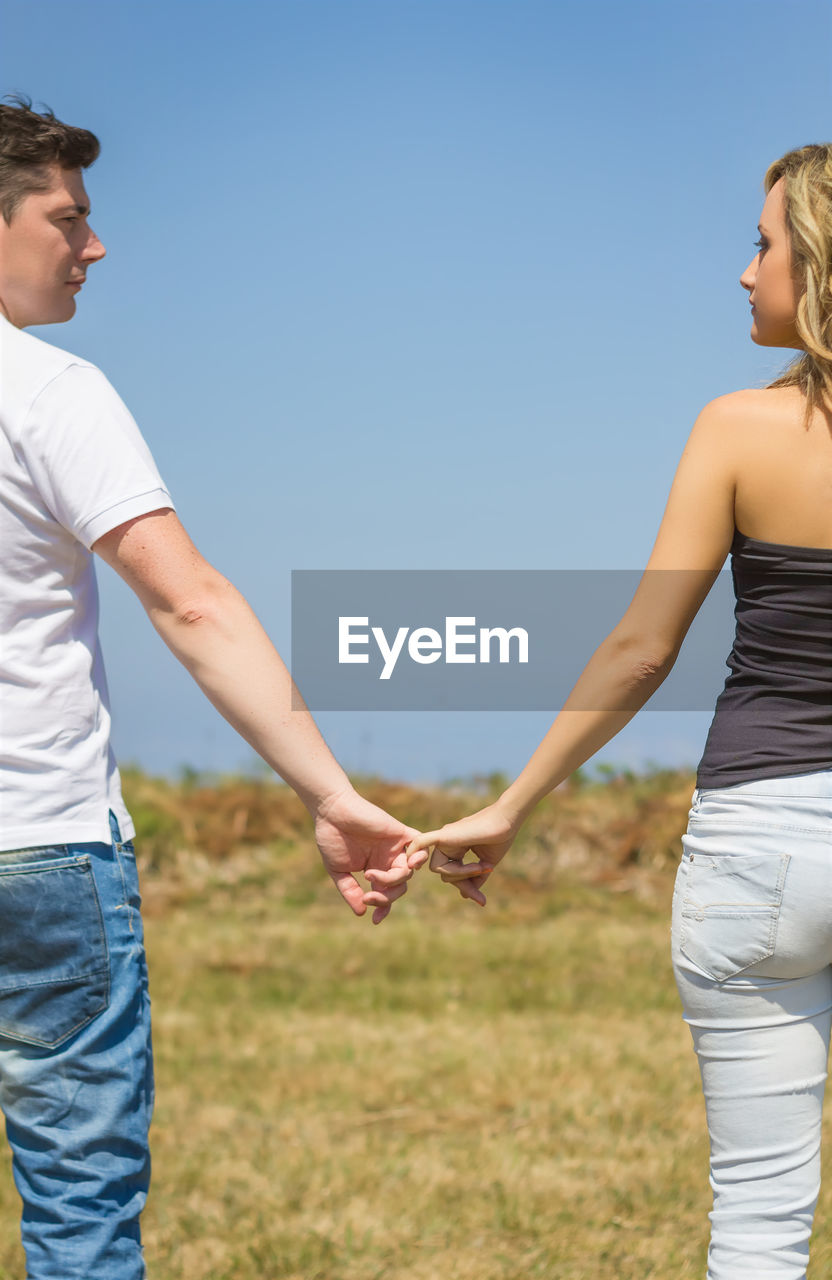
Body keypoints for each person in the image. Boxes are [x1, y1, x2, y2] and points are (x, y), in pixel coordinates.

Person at [0, 95, 426, 1280]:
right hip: (35, 848)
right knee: (77, 1203)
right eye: (66, 218)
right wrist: (331, 793)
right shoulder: (46, 392)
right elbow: (189, 602)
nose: (93, 245)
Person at [408, 143, 832, 1280]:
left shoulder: (738, 429)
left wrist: (512, 802)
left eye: (761, 245)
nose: (743, 274)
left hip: (761, 850)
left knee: (756, 1220)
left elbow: (644, 648)